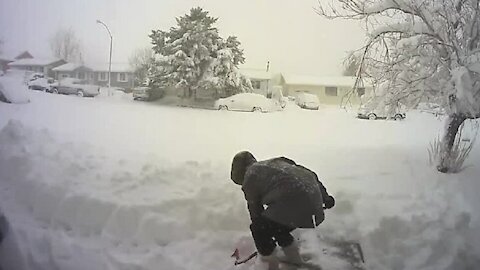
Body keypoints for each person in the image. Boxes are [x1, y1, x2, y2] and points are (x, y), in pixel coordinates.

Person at [230, 151, 335, 270]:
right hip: (314, 202)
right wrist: (326, 198)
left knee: (259, 228)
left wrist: (264, 245)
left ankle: (269, 265)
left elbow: (255, 211)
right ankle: (294, 259)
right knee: (276, 224)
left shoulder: (250, 176)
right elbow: (308, 174)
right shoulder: (278, 161)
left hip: (294, 202)